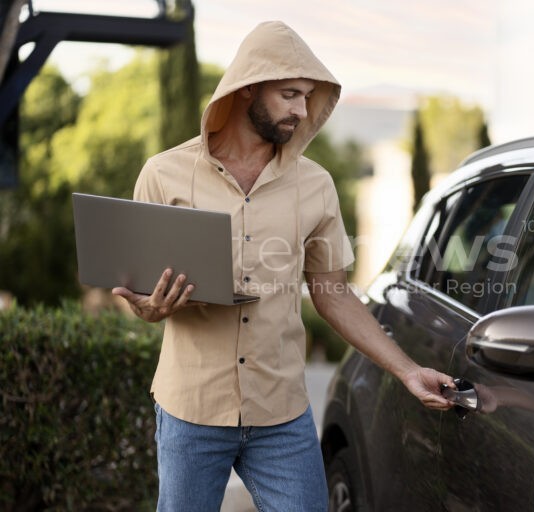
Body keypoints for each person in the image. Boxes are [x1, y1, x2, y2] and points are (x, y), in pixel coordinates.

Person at [112, 20, 455, 512]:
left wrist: (407, 371)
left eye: (308, 97)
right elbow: (136, 292)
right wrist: (147, 310)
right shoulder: (163, 174)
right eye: (290, 94)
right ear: (248, 87)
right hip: (191, 410)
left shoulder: (316, 186)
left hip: (281, 415)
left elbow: (333, 294)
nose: (302, 110)